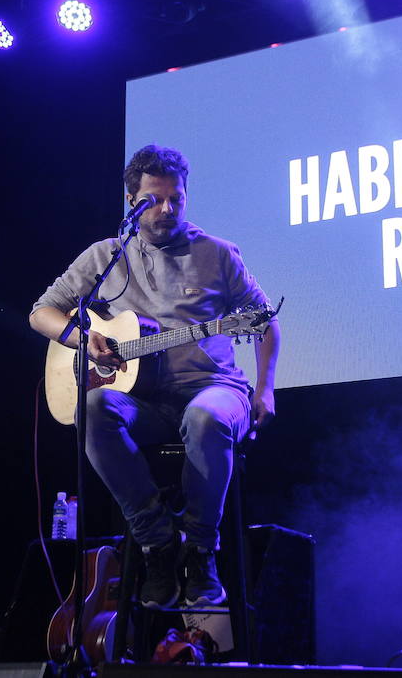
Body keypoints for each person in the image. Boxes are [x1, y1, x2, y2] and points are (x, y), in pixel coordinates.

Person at [30, 145, 280, 609]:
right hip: (145, 400)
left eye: (176, 199)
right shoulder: (105, 255)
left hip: (213, 388)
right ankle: (157, 541)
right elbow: (41, 313)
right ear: (133, 202)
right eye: (155, 200)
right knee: (91, 409)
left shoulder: (219, 255)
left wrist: (265, 388)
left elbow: (265, 322)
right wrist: (79, 339)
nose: (168, 209)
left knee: (207, 418)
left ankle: (200, 550)